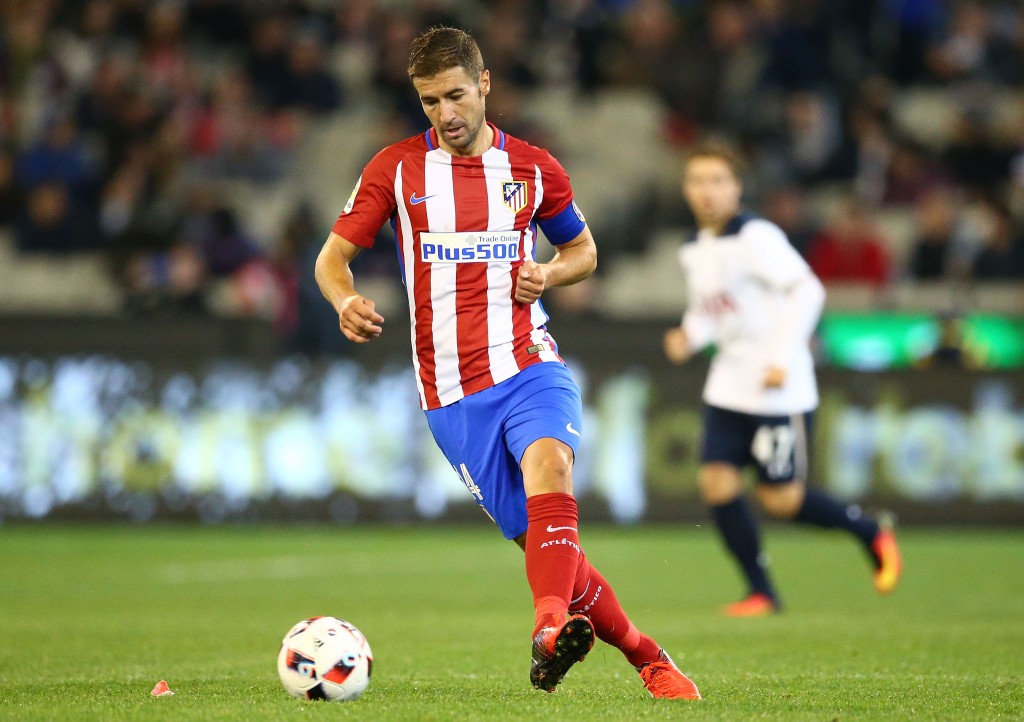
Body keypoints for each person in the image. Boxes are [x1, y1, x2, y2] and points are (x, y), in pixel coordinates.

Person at [314, 26, 700, 699]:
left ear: (485, 83)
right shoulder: (396, 169)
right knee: (553, 554)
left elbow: (584, 252)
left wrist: (548, 276)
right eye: (430, 102)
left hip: (528, 363)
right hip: (451, 397)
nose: (446, 114)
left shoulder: (532, 168)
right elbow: (331, 259)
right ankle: (647, 655)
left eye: (456, 95)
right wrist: (344, 301)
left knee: (552, 467)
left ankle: (547, 631)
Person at [663, 141, 902, 617]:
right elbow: (712, 310)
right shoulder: (695, 247)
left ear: (737, 187)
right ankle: (762, 592)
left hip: (778, 387)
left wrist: (782, 356)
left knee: (781, 500)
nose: (706, 192)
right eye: (697, 181)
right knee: (716, 482)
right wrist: (689, 334)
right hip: (728, 384)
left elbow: (808, 288)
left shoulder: (757, 236)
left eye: (717, 181)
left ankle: (870, 532)